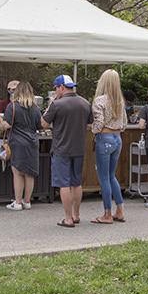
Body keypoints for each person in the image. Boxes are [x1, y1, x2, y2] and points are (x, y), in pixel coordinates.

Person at [41, 74, 93, 228]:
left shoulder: (57, 105)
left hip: (61, 149)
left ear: (61, 87)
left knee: (64, 184)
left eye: (56, 89)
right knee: (76, 183)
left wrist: (50, 105)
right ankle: (76, 215)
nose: (55, 92)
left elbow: (43, 123)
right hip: (78, 148)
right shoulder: (85, 103)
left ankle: (68, 218)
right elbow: (89, 126)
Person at [0, 81, 41, 211]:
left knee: (17, 172)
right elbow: (40, 126)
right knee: (29, 173)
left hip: (17, 142)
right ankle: (27, 201)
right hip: (32, 142)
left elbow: (7, 125)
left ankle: (18, 202)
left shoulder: (13, 106)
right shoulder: (35, 108)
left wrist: (0, 120)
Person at [89, 69, 126, 224]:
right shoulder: (120, 101)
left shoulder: (100, 101)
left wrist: (93, 130)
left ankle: (107, 214)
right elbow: (124, 124)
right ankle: (120, 211)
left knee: (104, 178)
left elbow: (98, 124)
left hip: (104, 139)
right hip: (117, 138)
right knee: (111, 176)